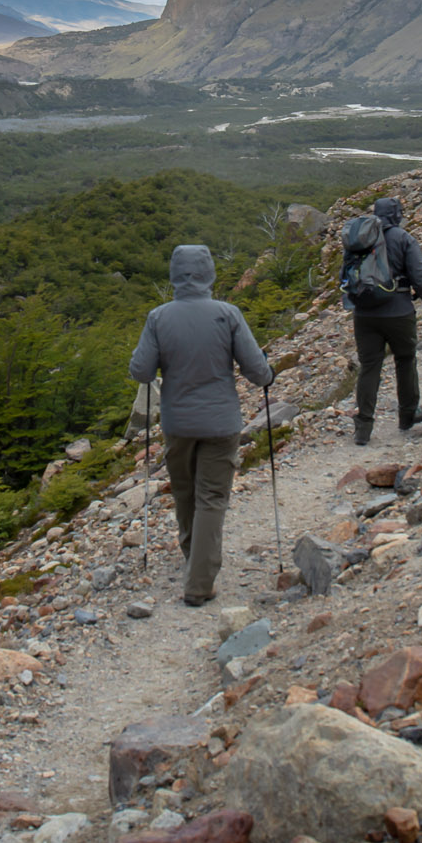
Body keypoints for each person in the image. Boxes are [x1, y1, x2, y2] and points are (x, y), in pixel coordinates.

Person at [128, 244, 274, 606]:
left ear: (175, 275)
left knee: (185, 491)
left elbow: (141, 372)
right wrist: (269, 372)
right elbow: (257, 373)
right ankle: (199, 582)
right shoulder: (228, 314)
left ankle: (194, 558)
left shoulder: (158, 317)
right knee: (212, 498)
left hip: (177, 422)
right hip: (221, 421)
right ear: (209, 273)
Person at [347, 197, 422, 446]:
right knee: (405, 360)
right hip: (398, 310)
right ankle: (407, 416)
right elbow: (419, 273)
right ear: (397, 214)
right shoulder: (404, 238)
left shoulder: (360, 237)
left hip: (364, 313)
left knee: (369, 366)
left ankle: (363, 426)